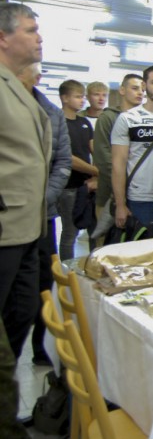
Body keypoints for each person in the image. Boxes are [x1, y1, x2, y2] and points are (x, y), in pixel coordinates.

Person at [0, 3, 51, 361]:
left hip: (28, 228)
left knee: (22, 313)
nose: (39, 37)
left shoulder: (19, 89)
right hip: (5, 227)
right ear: (3, 37)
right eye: (31, 30)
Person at [17, 63, 71, 367]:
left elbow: (63, 161)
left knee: (42, 286)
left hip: (43, 215)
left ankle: (42, 347)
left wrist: (41, 200)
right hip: (9, 216)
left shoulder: (51, 112)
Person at [111, 66, 153, 233]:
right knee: (141, 252)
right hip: (139, 198)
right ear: (145, 85)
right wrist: (120, 205)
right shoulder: (128, 119)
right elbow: (118, 164)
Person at [92, 73, 144, 243]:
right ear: (122, 90)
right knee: (106, 245)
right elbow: (104, 158)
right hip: (110, 196)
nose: (140, 93)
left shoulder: (143, 119)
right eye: (134, 88)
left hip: (137, 196)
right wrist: (123, 182)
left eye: (142, 89)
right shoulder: (108, 118)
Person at [58, 79, 98, 259]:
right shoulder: (58, 122)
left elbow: (94, 150)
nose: (82, 100)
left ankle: (92, 267)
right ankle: (67, 274)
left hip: (87, 185)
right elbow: (68, 157)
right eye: (77, 96)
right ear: (65, 98)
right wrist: (96, 171)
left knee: (94, 230)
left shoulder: (84, 122)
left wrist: (97, 174)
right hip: (67, 187)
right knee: (70, 232)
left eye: (83, 97)